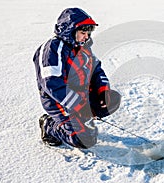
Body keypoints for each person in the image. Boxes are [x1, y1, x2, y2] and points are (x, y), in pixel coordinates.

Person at [33, 8, 121, 149]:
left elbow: (96, 69)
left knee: (112, 99)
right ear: (69, 30)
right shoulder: (52, 49)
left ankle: (81, 118)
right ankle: (49, 125)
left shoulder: (82, 47)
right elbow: (52, 84)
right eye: (83, 33)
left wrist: (103, 90)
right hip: (59, 102)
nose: (86, 37)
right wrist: (79, 105)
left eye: (88, 33)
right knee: (84, 139)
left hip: (80, 95)